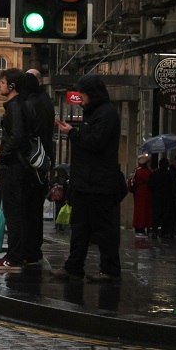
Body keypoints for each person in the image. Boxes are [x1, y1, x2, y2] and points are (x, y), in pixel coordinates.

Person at [51, 74, 128, 283]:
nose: (80, 98)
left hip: (99, 182)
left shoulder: (106, 114)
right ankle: (73, 267)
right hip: (86, 181)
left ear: (92, 93)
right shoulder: (93, 113)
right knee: (80, 228)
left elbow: (96, 142)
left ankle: (110, 270)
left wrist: (72, 134)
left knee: (104, 230)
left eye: (82, 93)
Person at [0, 67, 37, 271]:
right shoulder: (16, 105)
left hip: (14, 166)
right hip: (17, 165)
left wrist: (3, 155)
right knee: (15, 212)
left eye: (2, 81)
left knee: (13, 213)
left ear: (12, 85)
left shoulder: (15, 107)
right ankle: (14, 254)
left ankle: (14, 258)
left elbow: (17, 137)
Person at [22, 68, 55, 264]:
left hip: (32, 163)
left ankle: (29, 251)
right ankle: (34, 251)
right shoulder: (46, 102)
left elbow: (25, 136)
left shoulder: (30, 104)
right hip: (43, 162)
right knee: (35, 210)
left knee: (28, 210)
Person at [148, 157, 176, 239]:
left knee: (156, 215)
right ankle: (164, 232)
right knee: (166, 215)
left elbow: (150, 185)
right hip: (168, 198)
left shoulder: (154, 174)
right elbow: (174, 185)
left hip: (157, 197)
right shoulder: (170, 174)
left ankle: (154, 231)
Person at [130, 155, 153, 237]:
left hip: (138, 193)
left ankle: (139, 228)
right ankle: (140, 229)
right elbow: (150, 179)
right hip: (143, 193)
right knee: (143, 211)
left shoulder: (137, 170)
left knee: (139, 211)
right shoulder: (144, 172)